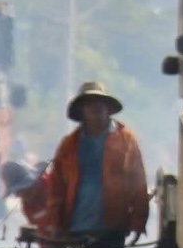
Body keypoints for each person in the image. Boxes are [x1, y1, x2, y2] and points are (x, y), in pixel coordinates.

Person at [20, 81, 149, 239]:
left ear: (108, 108)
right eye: (89, 104)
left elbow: (138, 184)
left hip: (113, 228)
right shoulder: (68, 145)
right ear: (81, 111)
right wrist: (56, 224)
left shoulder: (126, 140)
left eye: (99, 102)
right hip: (75, 228)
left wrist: (138, 222)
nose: (94, 107)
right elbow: (57, 188)